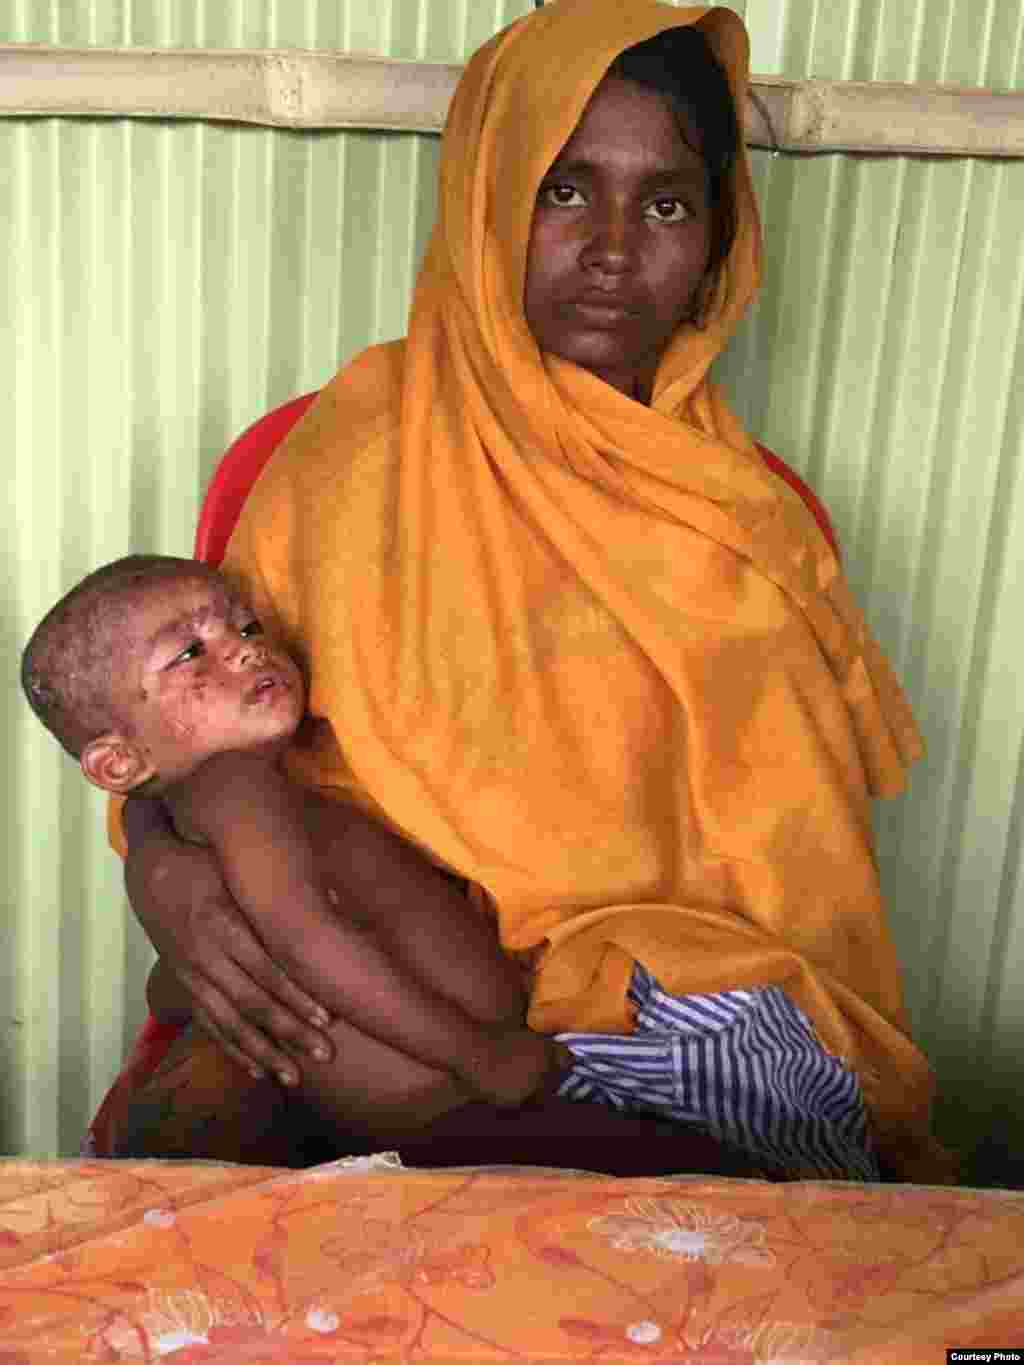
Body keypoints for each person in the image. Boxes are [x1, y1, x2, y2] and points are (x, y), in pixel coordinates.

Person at [103, 0, 955, 1183]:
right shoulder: (325, 458)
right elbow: (191, 734)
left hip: (682, 1013)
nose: (612, 246)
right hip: (393, 986)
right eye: (562, 191)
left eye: (666, 202)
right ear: (484, 201)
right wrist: (161, 865)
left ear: (720, 240)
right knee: (187, 1137)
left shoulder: (753, 521)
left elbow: (797, 877)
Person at [21, 555, 574, 1119]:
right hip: (465, 1096)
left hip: (432, 1106)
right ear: (119, 764)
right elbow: (305, 932)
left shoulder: (218, 819)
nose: (244, 648)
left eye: (246, 626)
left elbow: (172, 992)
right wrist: (482, 1057)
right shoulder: (234, 787)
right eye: (190, 653)